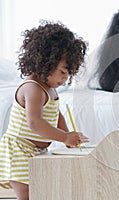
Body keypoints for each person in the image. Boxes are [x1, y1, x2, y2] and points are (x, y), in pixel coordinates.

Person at [0, 21, 89, 200]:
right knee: (27, 194)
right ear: (46, 62)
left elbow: (56, 115)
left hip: (35, 152)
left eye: (69, 73)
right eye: (63, 72)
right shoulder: (33, 88)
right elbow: (35, 123)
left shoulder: (50, 88)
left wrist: (68, 136)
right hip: (19, 150)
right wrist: (63, 137)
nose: (66, 78)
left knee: (41, 190)